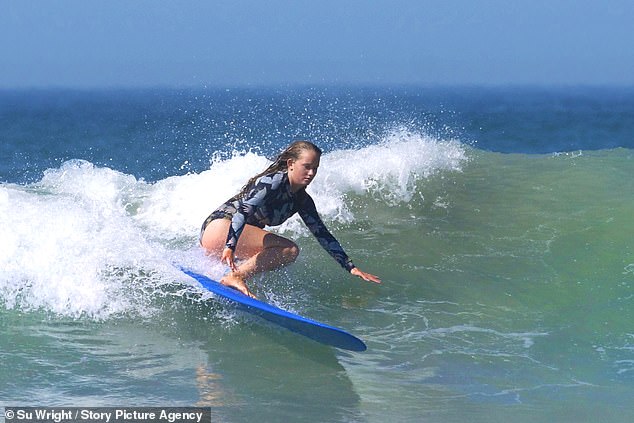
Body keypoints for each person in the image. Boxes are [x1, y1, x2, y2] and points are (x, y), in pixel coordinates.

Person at [199, 140, 381, 298]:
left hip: (222, 238)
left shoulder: (302, 200)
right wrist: (230, 246)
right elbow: (242, 212)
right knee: (289, 249)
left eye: (315, 168)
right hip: (220, 229)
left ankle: (231, 276)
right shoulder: (272, 182)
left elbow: (322, 234)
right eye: (307, 166)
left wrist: (350, 266)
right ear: (291, 163)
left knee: (271, 254)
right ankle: (236, 277)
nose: (311, 173)